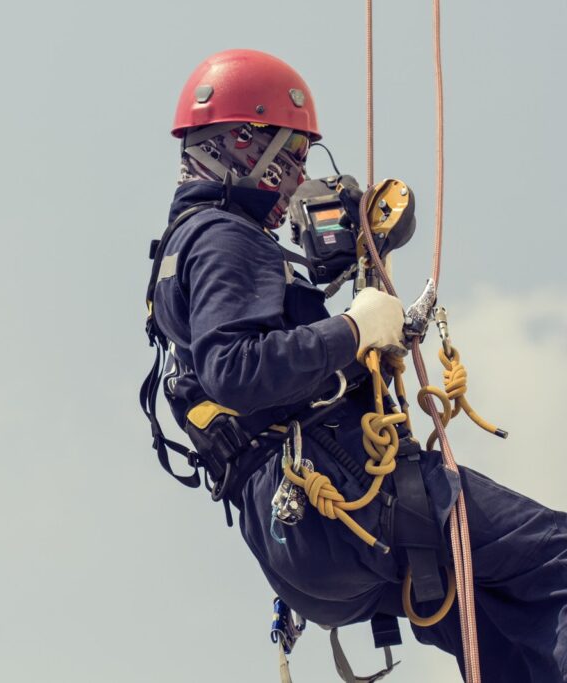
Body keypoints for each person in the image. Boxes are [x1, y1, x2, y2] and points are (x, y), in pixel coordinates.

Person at [144, 49, 567, 682]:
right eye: (290, 156)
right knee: (557, 562)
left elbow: (256, 371)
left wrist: (369, 327)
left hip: (302, 536)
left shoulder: (184, 247)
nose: (297, 178)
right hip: (341, 489)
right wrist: (352, 328)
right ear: (240, 140)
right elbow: (236, 368)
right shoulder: (225, 238)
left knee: (501, 621)